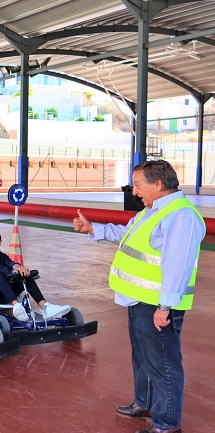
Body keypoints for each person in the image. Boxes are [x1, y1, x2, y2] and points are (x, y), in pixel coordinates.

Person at [73, 160, 205, 433]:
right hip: (139, 299)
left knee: (163, 362)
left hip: (158, 304)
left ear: (158, 185)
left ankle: (165, 424)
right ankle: (144, 403)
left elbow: (176, 265)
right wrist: (93, 229)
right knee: (144, 356)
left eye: (137, 185)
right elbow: (128, 235)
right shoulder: (153, 211)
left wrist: (164, 306)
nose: (134, 191)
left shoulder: (181, 217)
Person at [0, 229, 71, 321]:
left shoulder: (2, 256)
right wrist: (13, 271)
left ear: (1, 241)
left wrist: (18, 267)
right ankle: (16, 306)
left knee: (26, 275)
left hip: (3, 294)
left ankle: (45, 307)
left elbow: (10, 263)